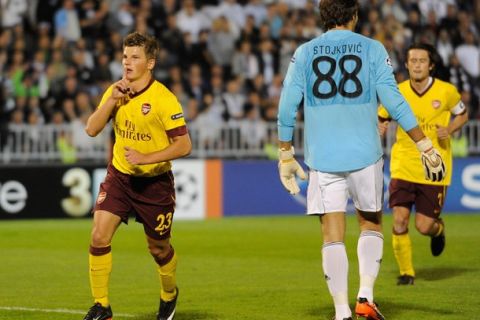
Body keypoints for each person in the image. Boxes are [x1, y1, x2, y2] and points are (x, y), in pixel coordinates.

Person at [276, 1, 446, 320]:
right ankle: (365, 296)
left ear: (323, 18)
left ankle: (341, 311)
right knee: (370, 223)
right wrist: (424, 143)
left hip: (323, 157)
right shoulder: (371, 48)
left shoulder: (304, 52)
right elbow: (394, 100)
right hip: (365, 154)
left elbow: (287, 105)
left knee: (331, 233)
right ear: (354, 16)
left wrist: (285, 151)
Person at [83, 32, 192, 320]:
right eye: (124, 56)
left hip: (154, 184)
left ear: (151, 63)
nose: (127, 62)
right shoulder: (116, 90)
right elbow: (91, 129)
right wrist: (111, 101)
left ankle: (169, 295)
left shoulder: (163, 99)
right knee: (98, 235)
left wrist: (146, 158)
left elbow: (184, 145)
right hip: (120, 177)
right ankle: (101, 306)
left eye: (135, 57)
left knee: (158, 248)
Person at [378, 43, 468, 286]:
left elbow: (463, 113)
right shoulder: (396, 92)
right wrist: (381, 126)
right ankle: (407, 273)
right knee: (399, 220)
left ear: (431, 65)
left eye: (422, 60)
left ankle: (438, 231)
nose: (417, 64)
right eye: (413, 61)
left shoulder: (446, 91)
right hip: (403, 165)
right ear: (406, 65)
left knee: (424, 225)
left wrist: (449, 129)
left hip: (434, 168)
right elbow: (381, 117)